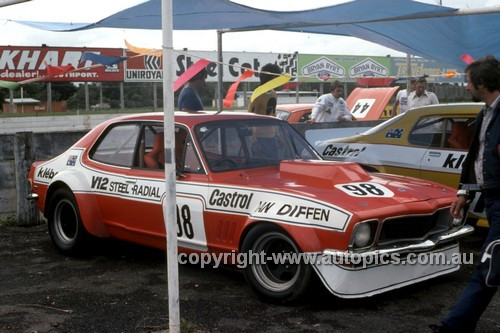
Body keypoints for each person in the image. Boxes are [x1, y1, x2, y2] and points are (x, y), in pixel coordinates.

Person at [430, 56, 500, 333]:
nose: (465, 85)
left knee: (488, 264)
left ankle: (455, 326)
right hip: (492, 200)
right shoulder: (486, 112)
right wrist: (464, 193)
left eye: (468, 80)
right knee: (492, 266)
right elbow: (475, 159)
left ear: (481, 83)